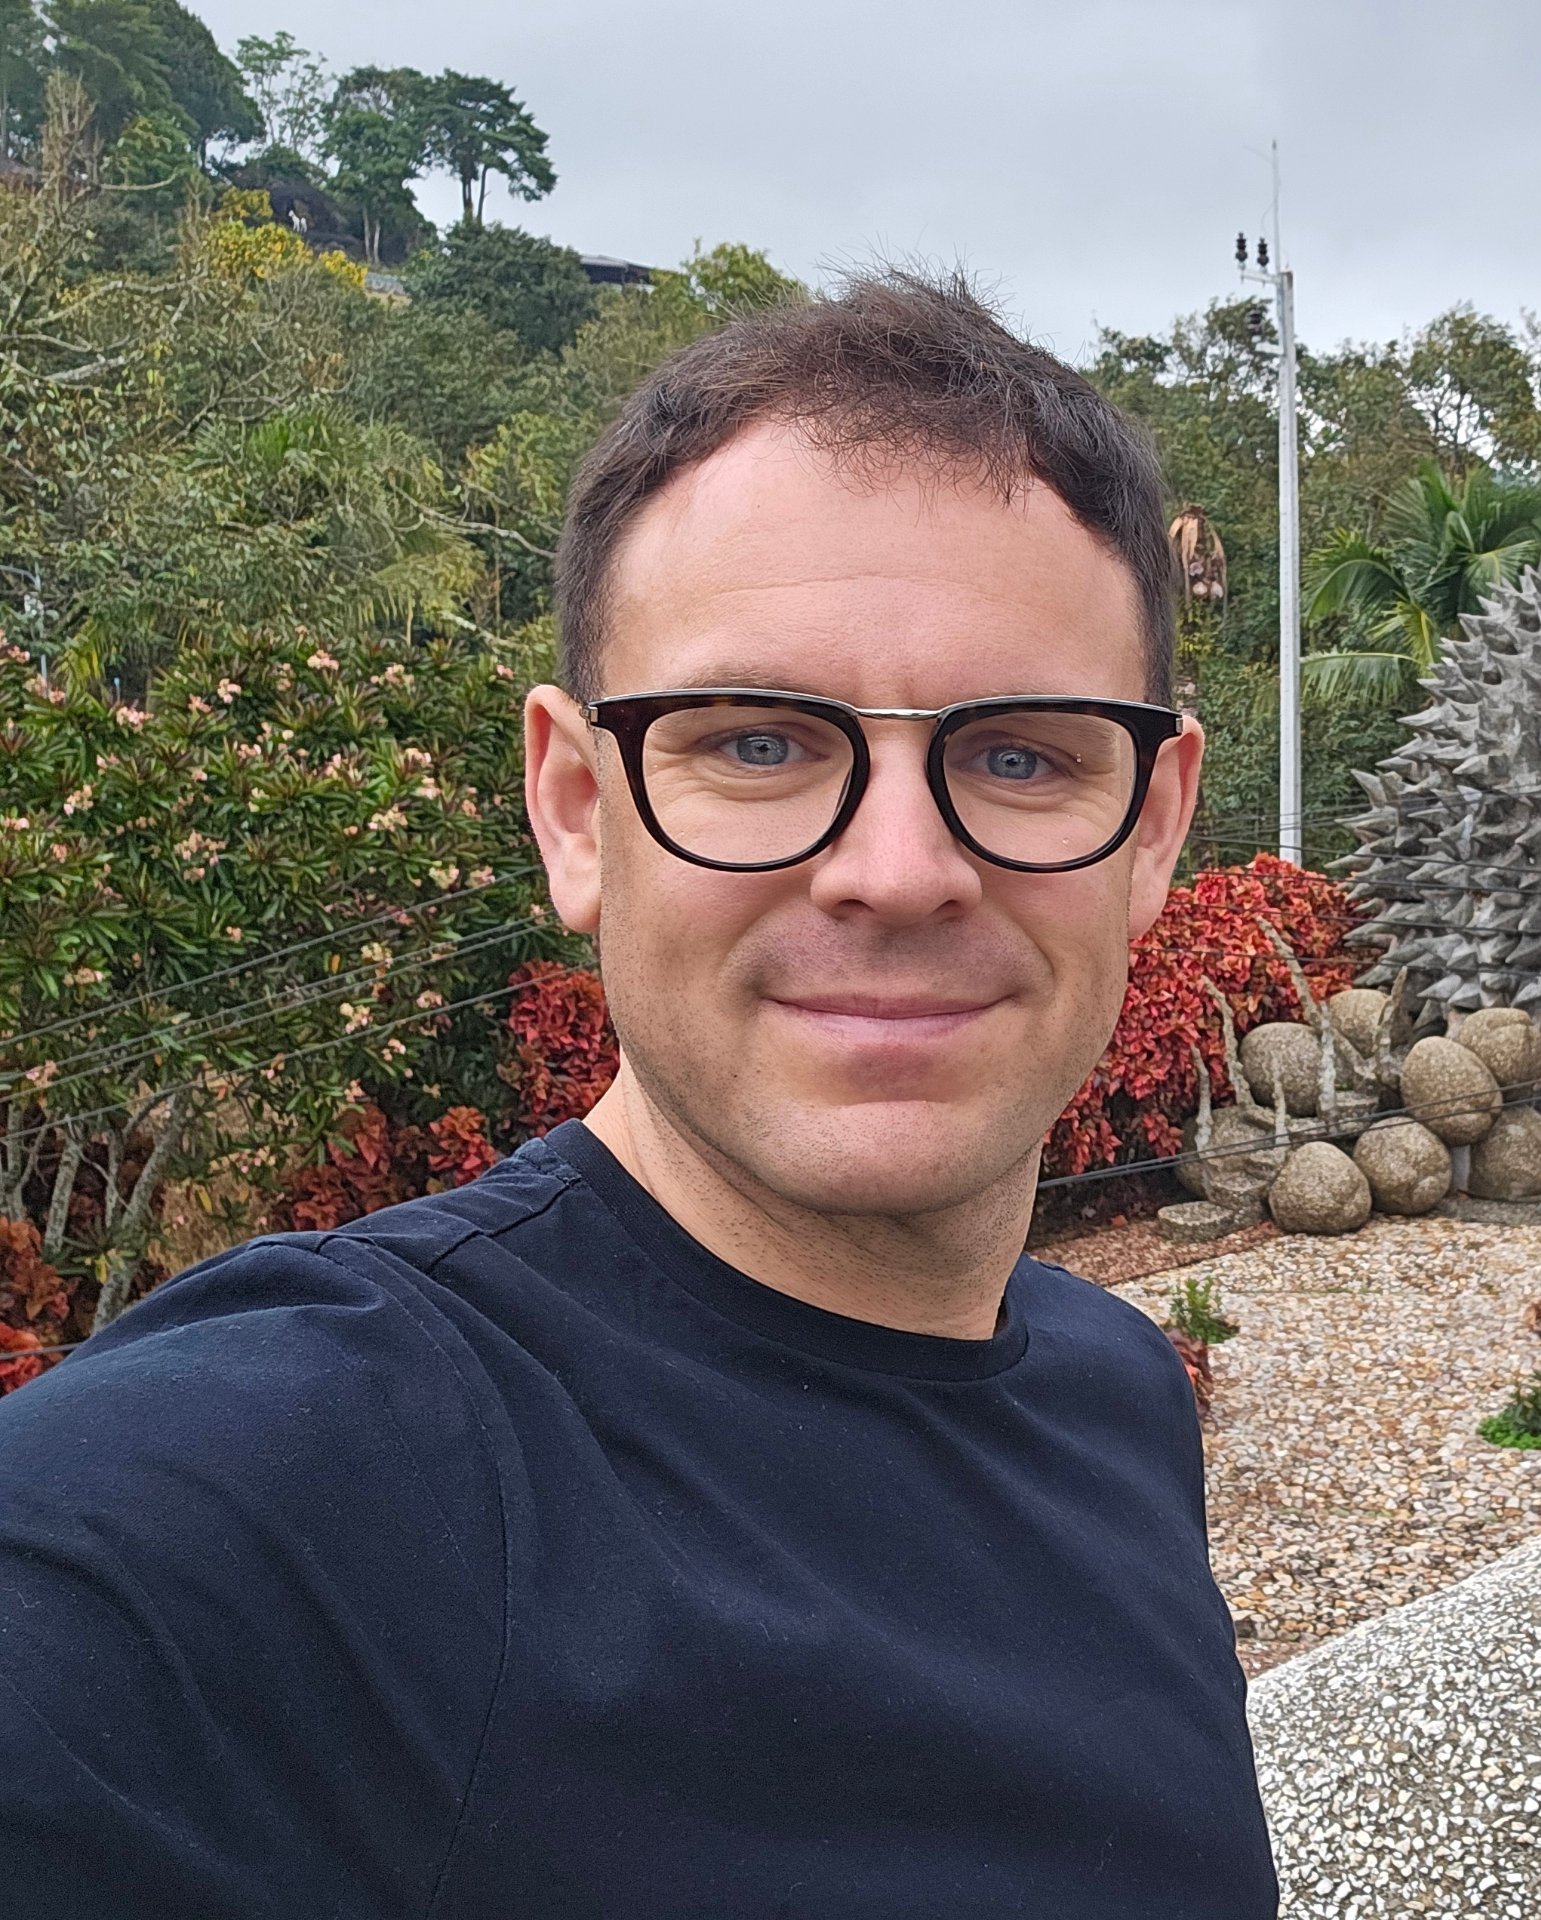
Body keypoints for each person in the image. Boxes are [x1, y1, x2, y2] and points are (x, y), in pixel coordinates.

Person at [0, 274, 1279, 1917]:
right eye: (757, 745)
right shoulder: (305, 1484)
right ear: (575, 810)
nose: (898, 872)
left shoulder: (1116, 1395)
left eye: (1022, 754)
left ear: (1156, 822)